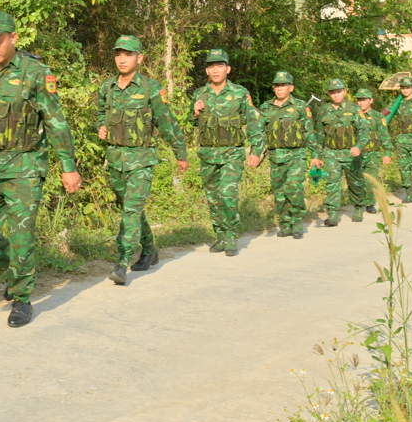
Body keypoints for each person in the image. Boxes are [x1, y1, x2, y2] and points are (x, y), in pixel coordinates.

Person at [0, 11, 81, 327]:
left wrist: (68, 167)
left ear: (13, 38)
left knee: (21, 235)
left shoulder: (36, 73)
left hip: (24, 167)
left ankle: (22, 297)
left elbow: (55, 121)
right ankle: (18, 269)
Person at [96, 36, 189, 284]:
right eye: (118, 54)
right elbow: (100, 115)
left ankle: (121, 263)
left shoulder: (151, 88)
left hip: (141, 161)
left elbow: (168, 124)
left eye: (128, 54)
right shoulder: (107, 88)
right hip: (116, 160)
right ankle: (150, 250)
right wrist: (101, 128)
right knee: (130, 209)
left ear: (140, 58)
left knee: (132, 210)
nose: (122, 59)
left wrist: (181, 154)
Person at [189, 50, 263, 256]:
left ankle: (230, 235)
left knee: (227, 194)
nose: (215, 70)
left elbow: (254, 123)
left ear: (228, 69)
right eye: (212, 66)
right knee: (213, 197)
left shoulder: (240, 93)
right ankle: (220, 235)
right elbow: (191, 122)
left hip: (232, 153)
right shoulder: (199, 94)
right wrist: (194, 112)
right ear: (206, 70)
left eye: (220, 65)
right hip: (208, 154)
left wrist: (256, 150)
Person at [258, 72, 323, 239]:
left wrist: (315, 154)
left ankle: (296, 221)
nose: (279, 88)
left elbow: (309, 131)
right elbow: (260, 133)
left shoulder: (301, 107)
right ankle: (285, 223)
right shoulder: (266, 107)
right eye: (277, 85)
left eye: (283, 85)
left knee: (293, 188)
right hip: (275, 156)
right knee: (279, 192)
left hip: (296, 155)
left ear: (291, 88)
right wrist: (256, 152)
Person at [314, 79, 369, 225]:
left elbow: (364, 131)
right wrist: (317, 156)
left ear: (344, 91)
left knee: (355, 182)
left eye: (339, 91)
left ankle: (358, 206)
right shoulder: (323, 110)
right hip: (331, 153)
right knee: (332, 183)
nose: (336, 95)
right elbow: (320, 135)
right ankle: (332, 214)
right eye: (333, 92)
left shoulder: (355, 109)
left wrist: (359, 146)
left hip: (351, 153)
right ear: (328, 93)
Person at [355, 88, 393, 211]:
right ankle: (358, 204)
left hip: (373, 154)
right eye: (359, 100)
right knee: (358, 181)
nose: (361, 103)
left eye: (364, 100)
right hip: (357, 154)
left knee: (371, 180)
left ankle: (370, 203)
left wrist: (387, 152)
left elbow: (384, 135)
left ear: (371, 100)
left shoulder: (378, 116)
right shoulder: (353, 115)